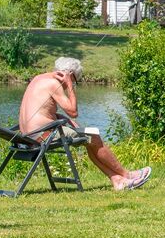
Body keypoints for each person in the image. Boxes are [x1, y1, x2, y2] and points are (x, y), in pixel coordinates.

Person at [19, 57, 151, 191]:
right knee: (94, 137)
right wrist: (70, 86)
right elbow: (73, 111)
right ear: (69, 75)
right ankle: (127, 174)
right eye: (75, 81)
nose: (73, 84)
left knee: (89, 140)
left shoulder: (39, 78)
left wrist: (64, 119)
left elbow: (44, 112)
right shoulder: (54, 84)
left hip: (28, 135)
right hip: (42, 135)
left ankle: (117, 180)